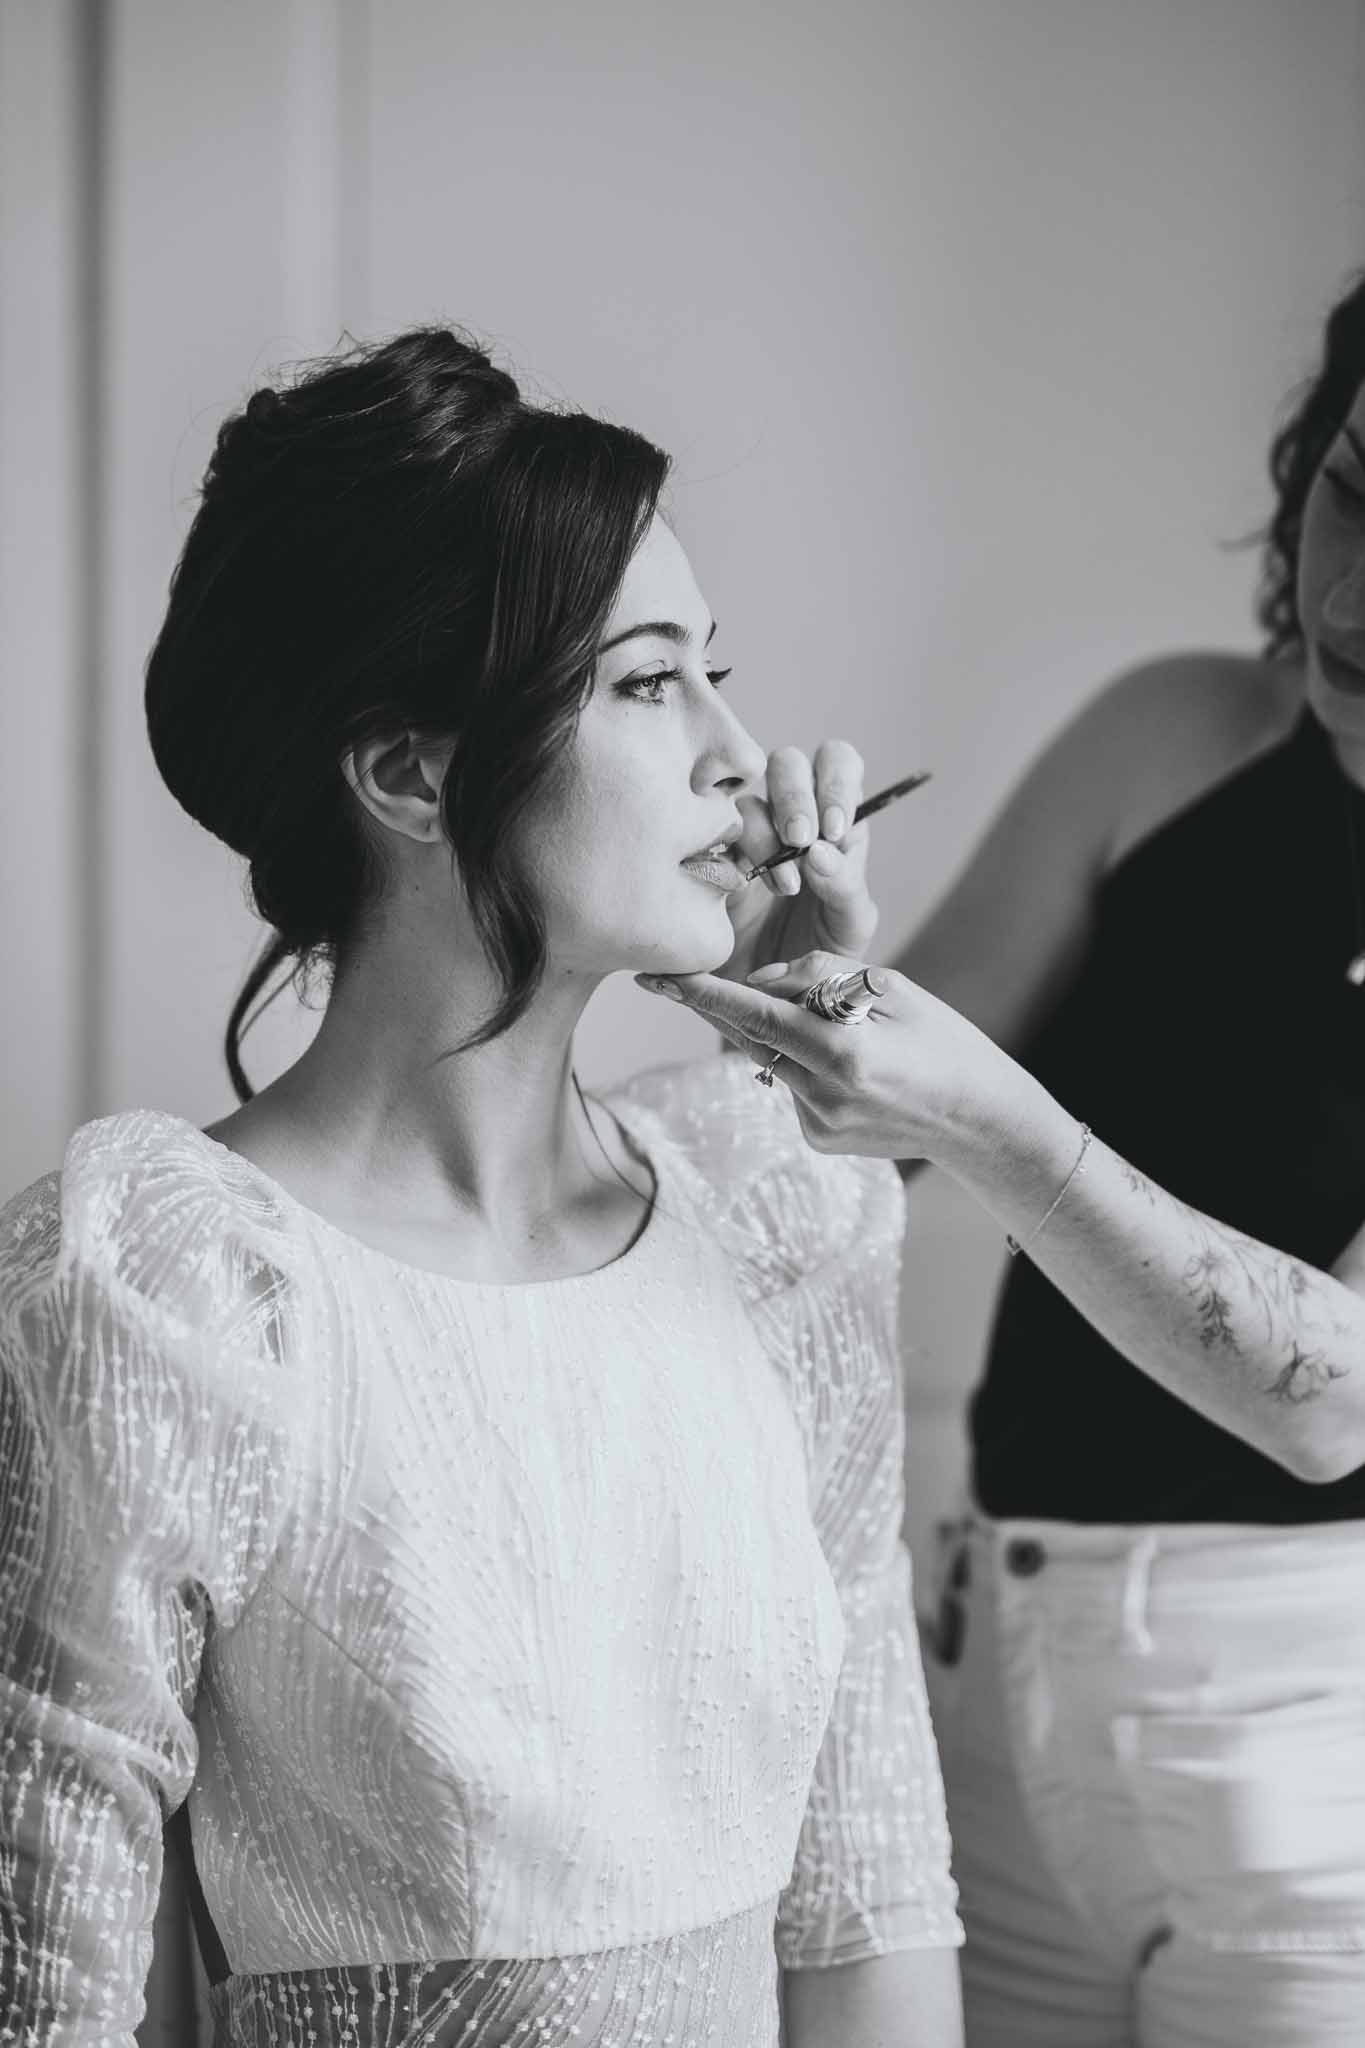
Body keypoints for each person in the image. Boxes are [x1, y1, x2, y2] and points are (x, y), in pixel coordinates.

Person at [0, 328, 964, 2048]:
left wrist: (817, 1046)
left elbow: (866, 1898)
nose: (744, 757)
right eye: (649, 682)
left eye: (715, 672)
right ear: (410, 772)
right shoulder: (165, 1290)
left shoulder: (772, 1224)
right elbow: (52, 1991)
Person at [639, 275, 1365, 2048]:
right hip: (984, 1657)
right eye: (1357, 491)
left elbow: (1330, 1395)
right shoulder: (1173, 735)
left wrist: (986, 1116)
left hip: (1312, 1745)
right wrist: (766, 959)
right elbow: (821, 1140)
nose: (1354, 597)